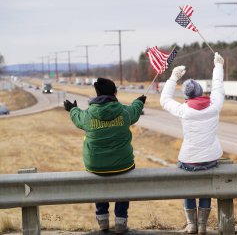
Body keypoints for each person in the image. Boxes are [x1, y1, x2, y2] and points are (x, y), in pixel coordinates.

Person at [63, 77, 146, 234]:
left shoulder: (88, 115)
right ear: (115, 93)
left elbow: (77, 118)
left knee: (98, 182)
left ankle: (102, 220)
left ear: (97, 93)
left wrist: (72, 109)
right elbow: (135, 112)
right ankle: (121, 221)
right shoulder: (124, 112)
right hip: (124, 165)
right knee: (123, 180)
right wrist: (140, 101)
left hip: (95, 166)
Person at [160, 52, 225, 234]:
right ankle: (203, 225)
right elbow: (218, 88)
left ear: (186, 95)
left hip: (189, 160)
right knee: (205, 187)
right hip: (211, 159)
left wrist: (173, 77)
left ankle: (191, 224)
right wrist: (218, 66)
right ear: (201, 92)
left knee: (188, 186)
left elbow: (164, 100)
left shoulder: (183, 110)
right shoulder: (215, 105)